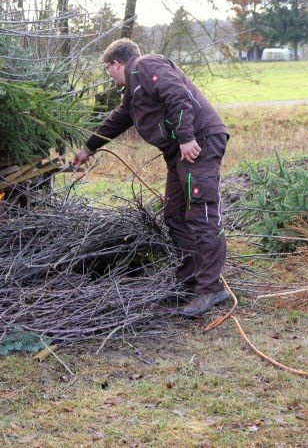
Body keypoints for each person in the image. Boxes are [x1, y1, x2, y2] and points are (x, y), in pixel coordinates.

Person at [73, 39, 230, 317]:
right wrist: (88, 148)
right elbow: (118, 120)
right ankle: (188, 282)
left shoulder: (146, 65)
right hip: (180, 152)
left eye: (108, 69)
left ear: (115, 63)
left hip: (199, 142)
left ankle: (210, 289)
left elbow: (177, 95)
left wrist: (186, 138)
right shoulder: (133, 92)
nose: (109, 75)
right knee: (175, 215)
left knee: (201, 213)